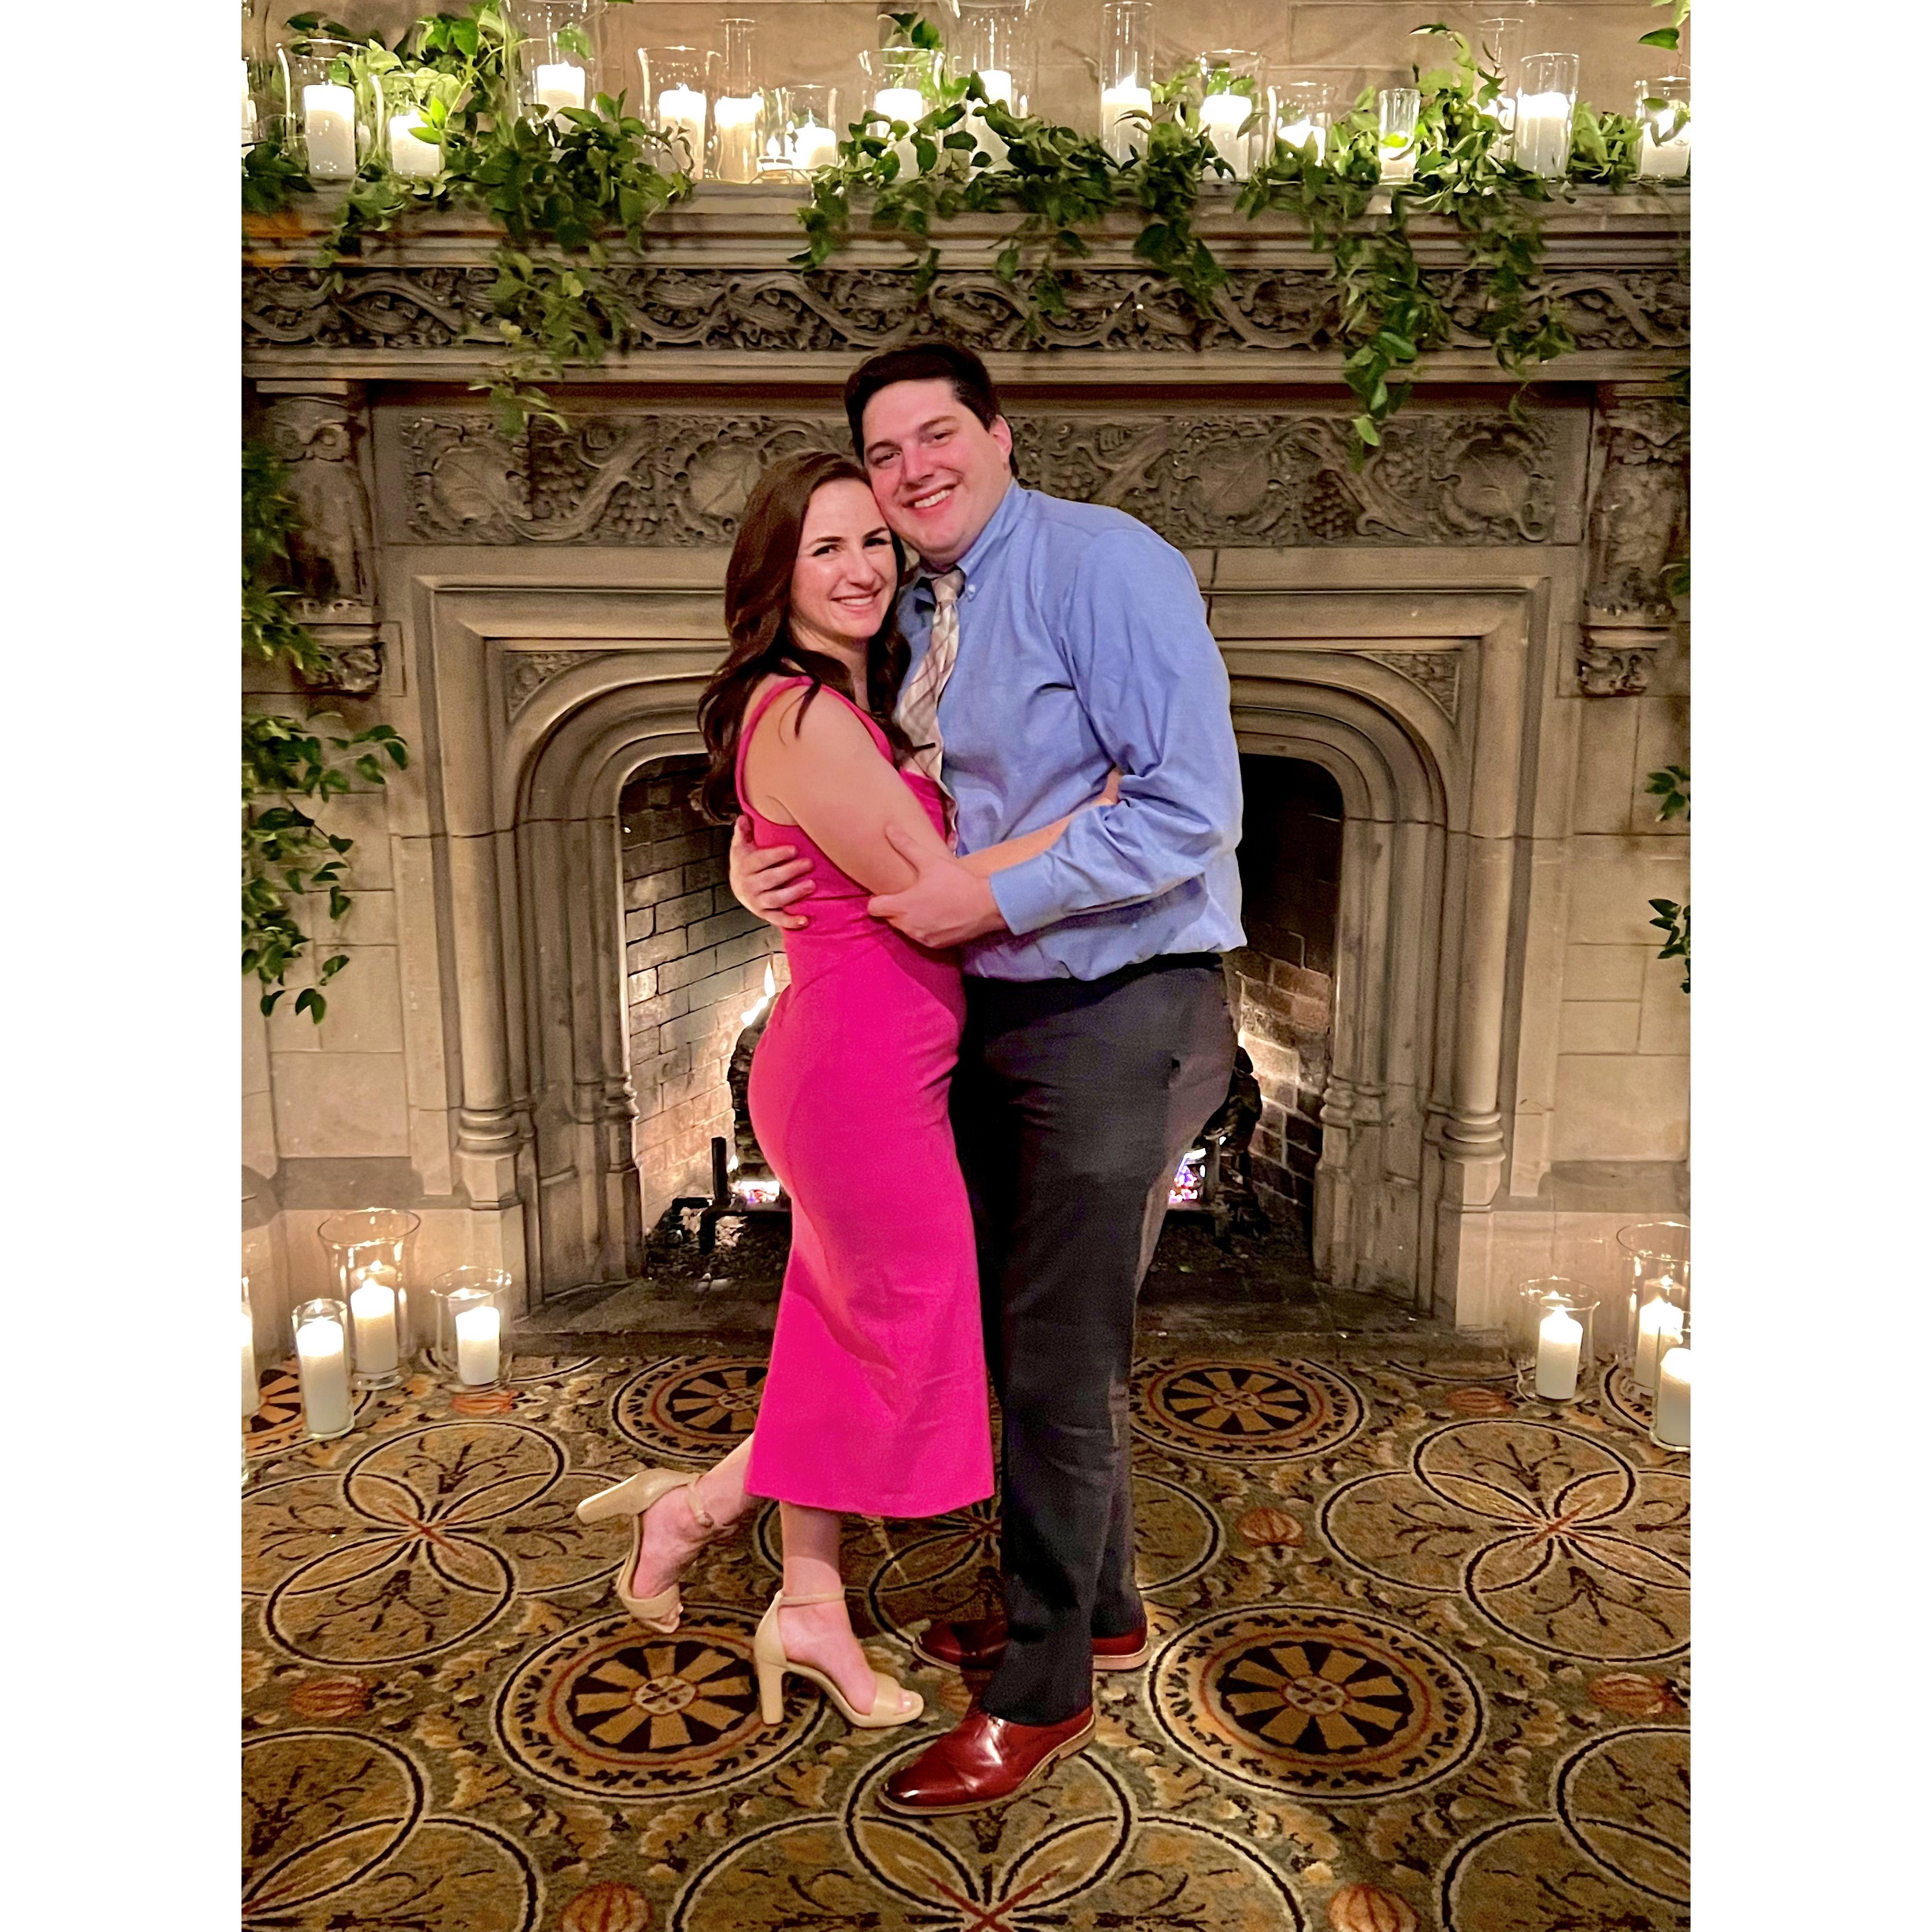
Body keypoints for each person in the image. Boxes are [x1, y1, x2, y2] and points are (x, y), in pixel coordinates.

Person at [729, 344, 1244, 1815]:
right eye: (885, 454)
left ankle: (1043, 1685)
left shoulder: (1105, 565)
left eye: (937, 434)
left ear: (1001, 434)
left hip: (1119, 1004)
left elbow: (1192, 809)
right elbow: (846, 786)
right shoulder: (905, 606)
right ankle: (1102, 1607)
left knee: (1055, 1358)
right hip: (988, 1016)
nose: (913, 472)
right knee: (1031, 1340)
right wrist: (757, 866)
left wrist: (986, 894)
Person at [575, 449, 1116, 1735]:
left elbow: (843, 848)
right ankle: (697, 1510)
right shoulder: (806, 715)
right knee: (905, 1334)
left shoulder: (837, 707)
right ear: (778, 573)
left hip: (874, 1067)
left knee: (838, 1330)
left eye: (877, 541)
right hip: (855, 1082)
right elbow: (937, 886)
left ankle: (805, 1599)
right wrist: (1104, 812)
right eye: (827, 547)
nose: (864, 567)